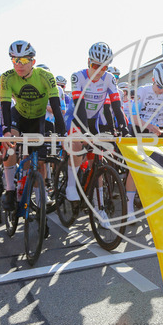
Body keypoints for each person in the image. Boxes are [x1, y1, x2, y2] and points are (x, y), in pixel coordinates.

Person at [0, 41, 66, 215]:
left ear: (33, 61)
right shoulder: (7, 77)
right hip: (18, 116)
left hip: (37, 119)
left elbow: (56, 106)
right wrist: (6, 131)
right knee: (10, 144)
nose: (18, 65)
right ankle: (10, 189)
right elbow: (5, 105)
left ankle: (40, 201)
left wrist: (62, 133)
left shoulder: (45, 76)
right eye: (14, 60)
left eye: (23, 60)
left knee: (40, 163)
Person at [66, 42, 128, 226]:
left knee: (97, 163)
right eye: (95, 66)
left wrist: (123, 127)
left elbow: (116, 106)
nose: (99, 71)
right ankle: (71, 185)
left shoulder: (109, 78)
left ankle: (99, 209)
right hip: (76, 117)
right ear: (88, 62)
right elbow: (79, 106)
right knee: (77, 146)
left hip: (93, 121)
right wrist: (85, 133)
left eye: (104, 67)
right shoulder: (78, 76)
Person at [125, 62, 163, 220]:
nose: (162, 90)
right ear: (153, 80)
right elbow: (133, 117)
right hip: (139, 129)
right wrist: (149, 126)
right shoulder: (142, 91)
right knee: (135, 169)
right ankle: (129, 209)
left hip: (157, 131)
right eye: (159, 87)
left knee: (160, 167)